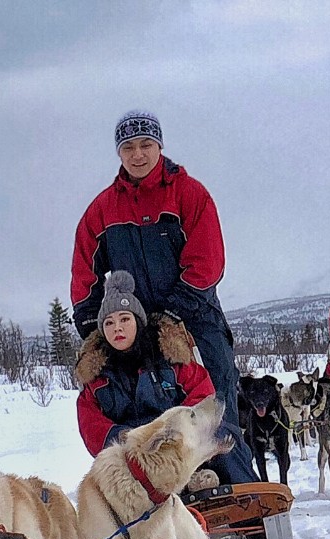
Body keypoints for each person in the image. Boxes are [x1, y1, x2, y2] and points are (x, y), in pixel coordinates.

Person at [71, 109, 255, 484]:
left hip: (195, 317)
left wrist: (175, 311)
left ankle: (241, 494)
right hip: (133, 325)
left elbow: (207, 260)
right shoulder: (103, 209)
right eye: (129, 147)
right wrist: (93, 327)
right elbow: (84, 274)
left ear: (159, 146)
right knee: (141, 408)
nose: (138, 154)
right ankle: (157, 489)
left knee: (215, 405)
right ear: (119, 153)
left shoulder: (189, 193)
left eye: (145, 145)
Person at [74, 270, 216, 456]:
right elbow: (90, 424)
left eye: (124, 319)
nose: (117, 328)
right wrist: (125, 439)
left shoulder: (169, 358)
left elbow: (203, 395)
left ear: (138, 321)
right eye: (109, 323)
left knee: (229, 444)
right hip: (127, 455)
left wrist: (177, 430)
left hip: (179, 447)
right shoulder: (97, 377)